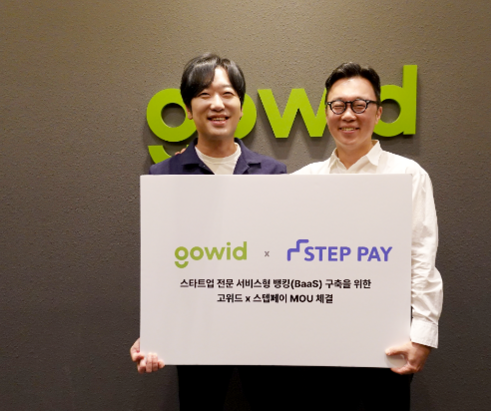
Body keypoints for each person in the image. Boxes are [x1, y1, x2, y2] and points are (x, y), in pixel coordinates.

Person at [130, 53, 286, 410]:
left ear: (241, 106)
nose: (217, 104)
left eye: (227, 94)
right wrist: (154, 332)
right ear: (188, 109)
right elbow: (162, 264)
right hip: (196, 332)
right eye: (204, 94)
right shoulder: (164, 176)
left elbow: (281, 257)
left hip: (262, 330)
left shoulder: (273, 174)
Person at [291, 62, 443, 410]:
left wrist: (422, 336)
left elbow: (421, 258)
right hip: (316, 345)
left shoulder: (408, 174)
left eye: (360, 105)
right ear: (326, 112)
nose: (348, 114)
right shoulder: (303, 181)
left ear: (378, 112)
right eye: (338, 105)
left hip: (385, 345)